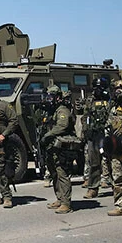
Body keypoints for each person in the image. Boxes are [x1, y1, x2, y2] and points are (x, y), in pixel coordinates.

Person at [40, 85, 82, 214]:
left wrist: (47, 136)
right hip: (52, 147)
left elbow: (62, 127)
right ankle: (59, 198)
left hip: (62, 148)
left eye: (51, 97)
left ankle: (66, 203)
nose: (49, 100)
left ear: (58, 98)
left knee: (62, 173)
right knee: (54, 174)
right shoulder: (51, 111)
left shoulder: (62, 110)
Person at [80, 77, 111, 199]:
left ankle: (117, 187)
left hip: (108, 135)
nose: (97, 90)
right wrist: (85, 131)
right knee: (94, 163)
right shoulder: (90, 100)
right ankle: (93, 188)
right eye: (95, 87)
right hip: (94, 135)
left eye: (100, 87)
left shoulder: (110, 100)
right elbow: (85, 116)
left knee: (112, 162)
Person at [104, 80, 122, 216]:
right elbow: (108, 127)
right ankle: (121, 205)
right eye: (116, 88)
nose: (119, 91)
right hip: (118, 149)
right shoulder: (113, 109)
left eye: (121, 88)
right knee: (118, 178)